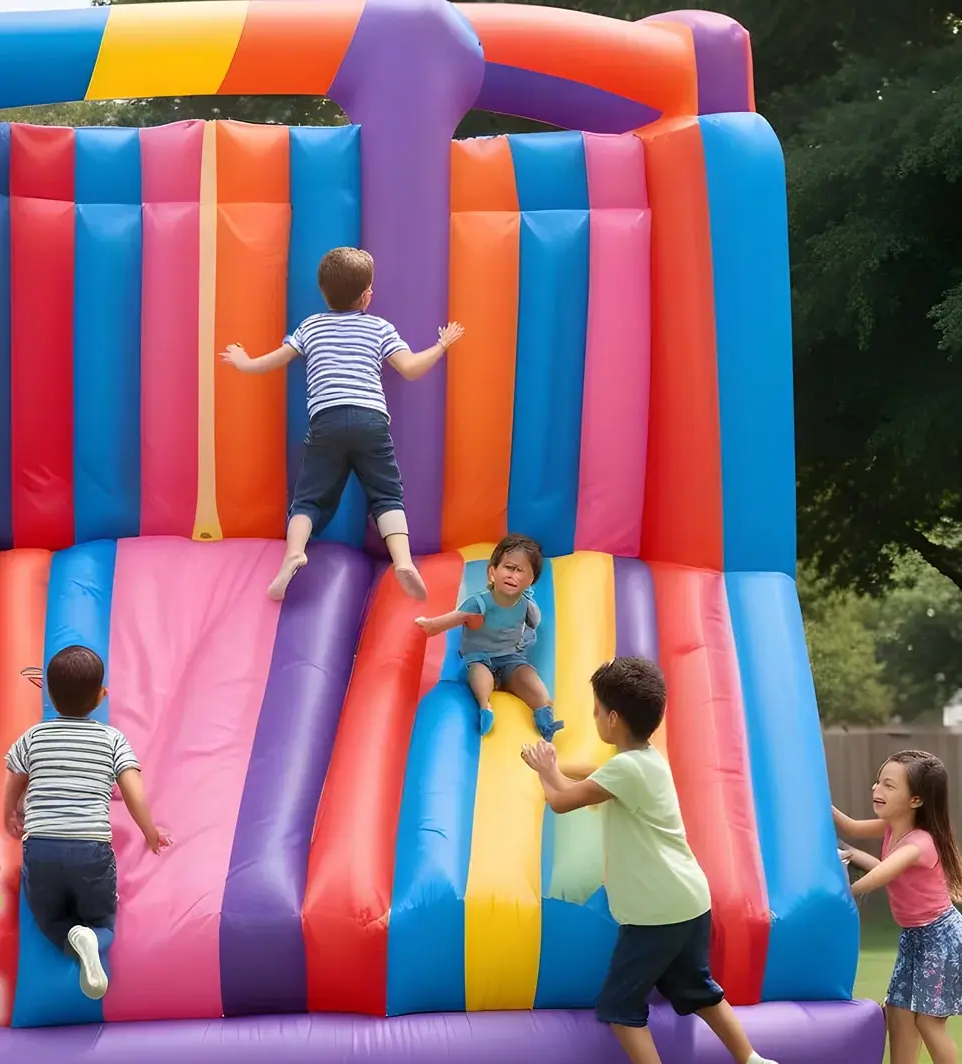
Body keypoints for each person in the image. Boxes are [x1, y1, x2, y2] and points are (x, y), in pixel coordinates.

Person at [520, 658, 777, 1064]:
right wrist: (557, 769)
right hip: (689, 900)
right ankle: (751, 1059)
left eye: (597, 711)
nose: (596, 718)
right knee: (695, 988)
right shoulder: (647, 761)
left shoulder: (626, 769)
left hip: (658, 911)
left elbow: (562, 801)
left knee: (620, 1007)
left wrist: (543, 770)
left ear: (614, 719)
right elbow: (589, 779)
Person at [219, 246, 464, 602]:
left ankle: (293, 554)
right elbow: (410, 368)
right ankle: (403, 560)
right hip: (371, 420)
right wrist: (441, 345)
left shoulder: (311, 326)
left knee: (307, 499)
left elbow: (272, 362)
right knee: (386, 495)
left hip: (327, 419)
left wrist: (243, 361)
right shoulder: (379, 327)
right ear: (368, 294)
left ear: (323, 291)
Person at [3, 645, 171, 1001]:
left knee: (48, 919)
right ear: (101, 696)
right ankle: (93, 937)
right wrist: (150, 832)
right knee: (102, 920)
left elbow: (15, 779)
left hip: (42, 846)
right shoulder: (111, 739)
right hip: (90, 849)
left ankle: (71, 938)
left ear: (48, 692)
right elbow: (133, 791)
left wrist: (10, 812)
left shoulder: (34, 737)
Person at [836, 751, 962, 1064]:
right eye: (878, 782)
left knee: (929, 1021)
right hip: (915, 937)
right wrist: (816, 800)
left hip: (943, 940)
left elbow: (876, 878)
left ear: (916, 800)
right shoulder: (890, 828)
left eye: (889, 785)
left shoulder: (919, 844)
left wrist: (840, 890)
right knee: (898, 1012)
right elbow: (852, 827)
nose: (877, 789)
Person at [413, 533, 561, 739]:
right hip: (479, 656)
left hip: (510, 658)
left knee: (529, 676)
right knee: (479, 672)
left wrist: (527, 641)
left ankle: (544, 715)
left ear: (530, 580)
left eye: (520, 571)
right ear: (493, 572)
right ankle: (485, 706)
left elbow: (534, 625)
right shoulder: (479, 603)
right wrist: (430, 625)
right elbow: (455, 618)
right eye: (508, 568)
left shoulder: (527, 606)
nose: (513, 575)